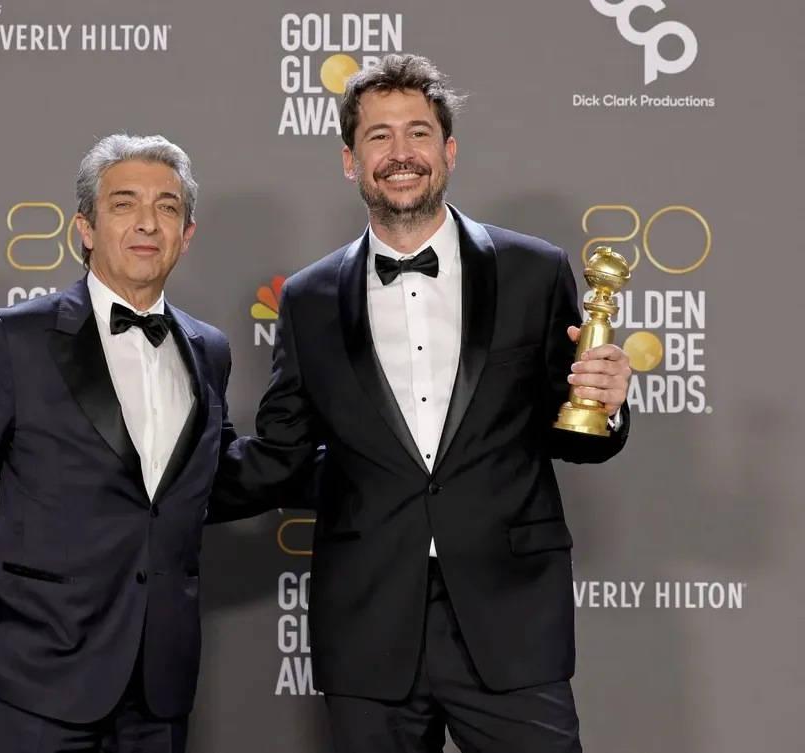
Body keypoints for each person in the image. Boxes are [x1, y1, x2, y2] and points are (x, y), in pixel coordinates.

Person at [211, 54, 633, 752]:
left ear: (449, 150)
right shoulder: (310, 299)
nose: (399, 154)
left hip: (510, 616)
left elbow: (576, 432)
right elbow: (282, 453)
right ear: (349, 159)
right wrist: (160, 484)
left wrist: (607, 405)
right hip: (369, 620)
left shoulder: (536, 270)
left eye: (418, 133)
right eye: (378, 136)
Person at [0, 133, 263, 753]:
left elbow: (213, 480)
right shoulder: (14, 338)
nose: (147, 223)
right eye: (124, 204)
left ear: (187, 234)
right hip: (32, 679)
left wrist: (346, 460)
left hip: (159, 685)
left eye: (168, 207)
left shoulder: (209, 348)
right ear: (85, 228)